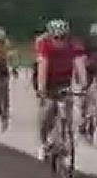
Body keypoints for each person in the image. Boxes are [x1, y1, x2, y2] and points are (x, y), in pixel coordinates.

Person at [34, 19, 89, 160]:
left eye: (63, 38)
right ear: (50, 36)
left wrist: (83, 84)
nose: (59, 41)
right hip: (47, 81)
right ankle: (43, 142)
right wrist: (41, 89)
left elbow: (79, 64)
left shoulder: (73, 46)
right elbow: (42, 66)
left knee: (69, 109)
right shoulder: (45, 45)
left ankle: (66, 137)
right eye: (56, 38)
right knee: (48, 110)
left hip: (64, 81)